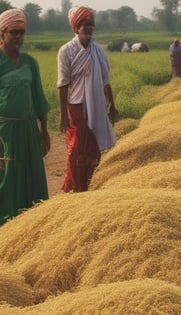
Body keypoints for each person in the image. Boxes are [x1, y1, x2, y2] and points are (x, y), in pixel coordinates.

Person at [0, 9, 51, 229]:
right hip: (5, 131)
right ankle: (4, 227)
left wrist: (44, 130)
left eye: (21, 32)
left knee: (32, 175)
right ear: (3, 33)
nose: (18, 36)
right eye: (13, 32)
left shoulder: (30, 62)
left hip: (28, 128)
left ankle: (34, 224)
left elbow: (38, 97)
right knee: (6, 178)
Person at [57, 6, 118, 192]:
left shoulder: (98, 52)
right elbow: (62, 84)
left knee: (92, 148)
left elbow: (105, 81)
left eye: (91, 24)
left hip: (97, 105)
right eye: (84, 24)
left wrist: (112, 106)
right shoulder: (66, 51)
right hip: (76, 106)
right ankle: (77, 187)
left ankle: (88, 184)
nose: (88, 28)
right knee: (77, 148)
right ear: (76, 27)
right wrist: (63, 115)